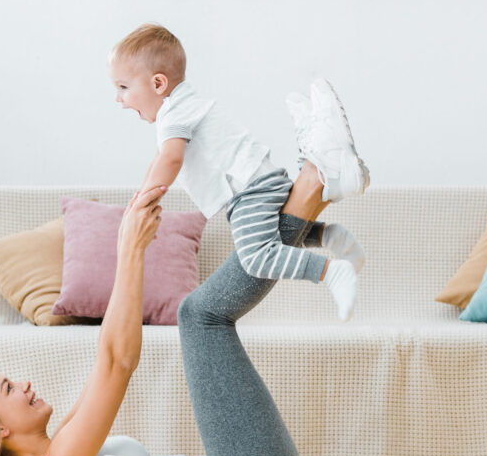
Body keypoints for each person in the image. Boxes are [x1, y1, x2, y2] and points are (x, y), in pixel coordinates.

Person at [0, 148, 358, 456]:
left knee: (201, 315)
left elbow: (103, 359)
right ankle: (314, 181)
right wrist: (130, 248)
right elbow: (118, 363)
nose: (23, 384)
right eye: (7, 389)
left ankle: (315, 187)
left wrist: (130, 241)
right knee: (200, 317)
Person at [109, 23, 368, 321]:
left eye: (123, 87)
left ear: (157, 84)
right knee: (276, 233)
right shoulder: (183, 106)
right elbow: (160, 158)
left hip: (249, 189)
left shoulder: (173, 114)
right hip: (261, 179)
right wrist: (141, 195)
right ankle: (330, 236)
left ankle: (331, 273)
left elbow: (169, 160)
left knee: (257, 256)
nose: (119, 99)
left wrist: (144, 202)